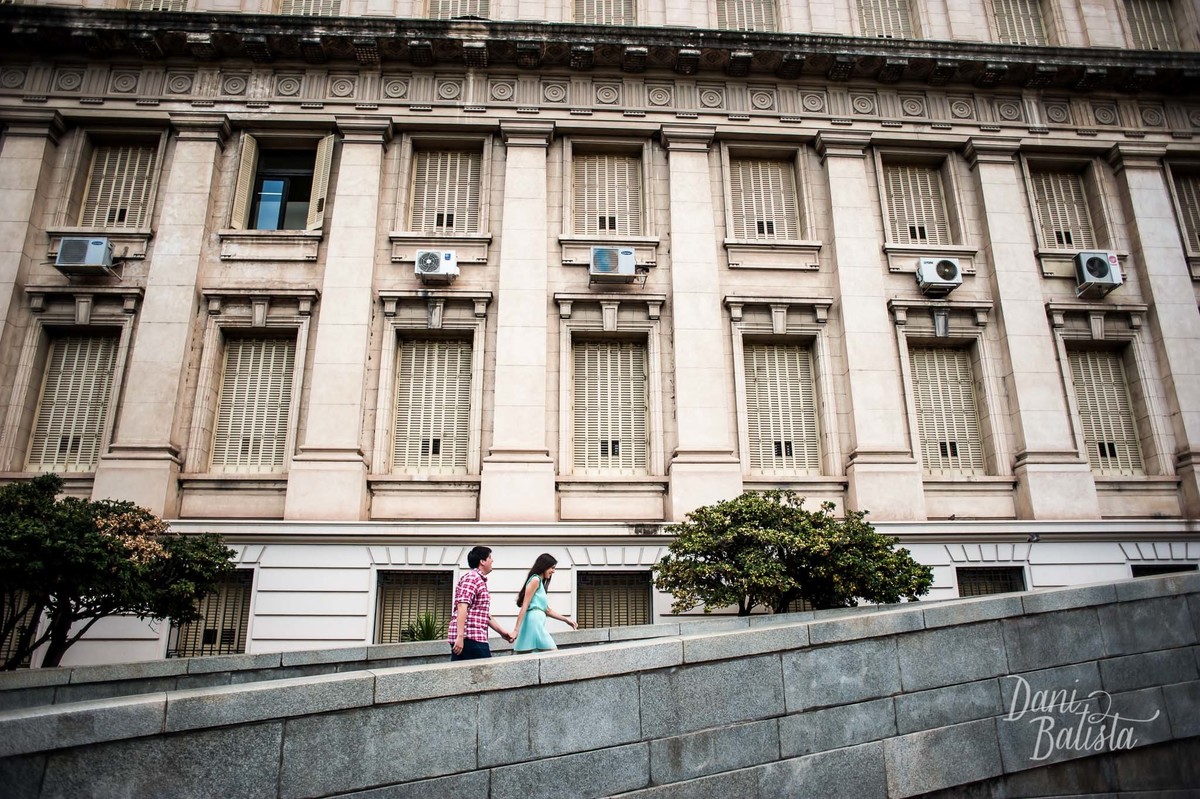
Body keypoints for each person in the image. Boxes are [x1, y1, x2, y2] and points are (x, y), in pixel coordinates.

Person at [448, 545, 515, 661]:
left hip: (472, 638)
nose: (492, 560)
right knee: (485, 675)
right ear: (482, 561)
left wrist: (502, 632)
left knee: (463, 677)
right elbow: (462, 605)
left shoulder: (478, 580)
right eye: (490, 557)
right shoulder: (472, 578)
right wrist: (460, 636)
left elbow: (484, 615)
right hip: (470, 638)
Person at [512, 553, 578, 653]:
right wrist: (516, 630)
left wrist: (566, 620)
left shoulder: (539, 583)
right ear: (544, 566)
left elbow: (547, 610)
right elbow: (525, 605)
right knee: (552, 652)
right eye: (552, 567)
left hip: (537, 623)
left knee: (532, 655)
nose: (554, 571)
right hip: (534, 623)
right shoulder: (535, 580)